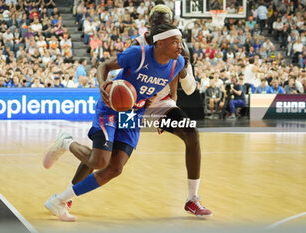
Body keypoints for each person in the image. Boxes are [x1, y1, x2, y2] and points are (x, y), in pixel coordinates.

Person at [67, 4, 212, 218]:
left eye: (166, 22)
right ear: (151, 25)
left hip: (160, 105)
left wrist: (186, 69)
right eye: (158, 22)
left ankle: (192, 199)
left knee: (192, 134)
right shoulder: (139, 46)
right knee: (104, 154)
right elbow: (113, 68)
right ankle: (69, 193)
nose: (161, 25)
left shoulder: (177, 47)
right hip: (132, 106)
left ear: (171, 24)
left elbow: (189, 89)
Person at [43, 24, 186, 221]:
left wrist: (166, 99)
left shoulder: (177, 63)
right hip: (111, 107)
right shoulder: (138, 54)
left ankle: (59, 201)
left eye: (180, 41)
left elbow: (169, 83)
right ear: (160, 43)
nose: (180, 46)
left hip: (133, 114)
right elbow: (104, 66)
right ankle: (66, 142)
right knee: (99, 161)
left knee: (115, 168)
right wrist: (102, 84)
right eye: (175, 42)